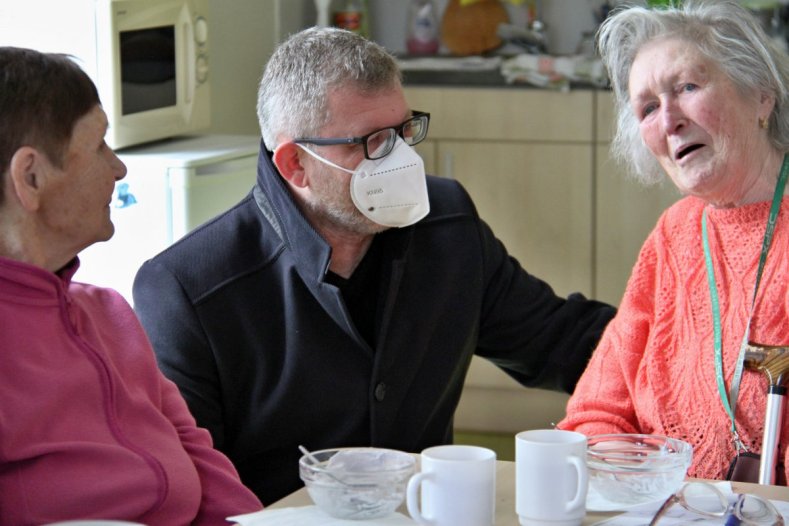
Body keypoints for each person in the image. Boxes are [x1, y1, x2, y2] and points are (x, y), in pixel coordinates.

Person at [132, 27, 616, 505]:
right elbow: (190, 490)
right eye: (372, 143)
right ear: (295, 163)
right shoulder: (187, 289)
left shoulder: (447, 227)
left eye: (405, 132)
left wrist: (680, 345)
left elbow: (561, 340)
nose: (401, 161)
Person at [0, 47, 262, 523]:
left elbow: (202, 464)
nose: (118, 169)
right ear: (30, 177)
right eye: (99, 144)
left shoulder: (111, 315)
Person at [558, 0, 789, 483]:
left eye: (687, 87)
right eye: (647, 108)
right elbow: (596, 412)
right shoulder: (676, 232)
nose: (668, 121)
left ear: (762, 96)